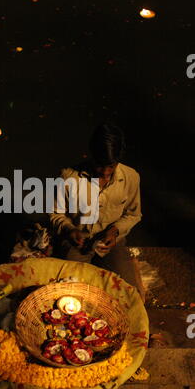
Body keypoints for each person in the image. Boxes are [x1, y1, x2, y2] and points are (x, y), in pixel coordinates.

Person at [50, 122, 142, 287]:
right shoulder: (68, 177)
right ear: (91, 155)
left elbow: (133, 214)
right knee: (66, 287)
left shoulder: (131, 177)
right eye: (100, 165)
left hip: (111, 242)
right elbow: (55, 213)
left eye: (111, 166)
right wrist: (69, 229)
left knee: (127, 290)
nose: (105, 172)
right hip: (77, 241)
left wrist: (114, 232)